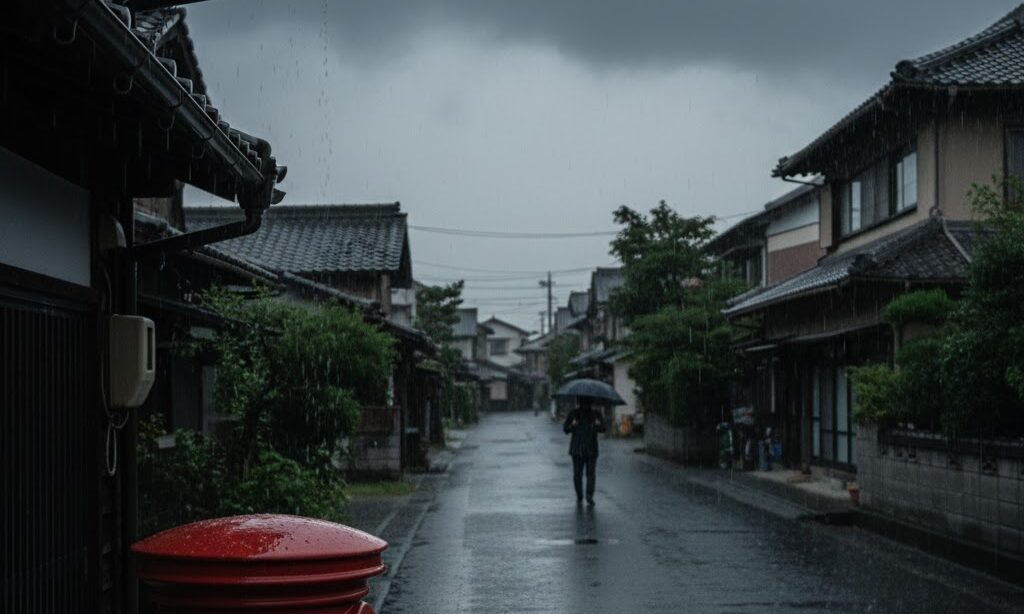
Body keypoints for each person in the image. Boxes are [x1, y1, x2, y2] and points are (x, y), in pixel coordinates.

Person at [563, 398, 606, 505]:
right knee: (588, 474)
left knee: (580, 474)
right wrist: (572, 426)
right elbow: (566, 429)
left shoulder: (593, 414)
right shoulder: (575, 414)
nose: (585, 405)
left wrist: (597, 425)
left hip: (583, 448)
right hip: (582, 449)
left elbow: (603, 428)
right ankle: (585, 495)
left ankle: (583, 495)